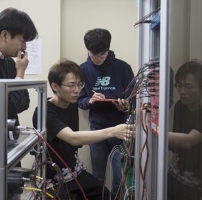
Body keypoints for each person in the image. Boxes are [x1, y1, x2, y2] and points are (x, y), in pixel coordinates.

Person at [32, 59, 133, 200]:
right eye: (71, 85)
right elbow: (73, 138)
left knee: (105, 196)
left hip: (75, 171)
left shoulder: (71, 103)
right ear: (55, 86)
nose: (77, 90)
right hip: (53, 178)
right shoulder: (44, 111)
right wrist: (113, 131)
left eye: (80, 85)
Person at [77, 28, 135, 198]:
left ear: (108, 50)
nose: (98, 59)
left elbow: (133, 100)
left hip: (121, 129)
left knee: (119, 176)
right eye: (95, 55)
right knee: (98, 176)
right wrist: (90, 100)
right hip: (97, 129)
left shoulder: (123, 68)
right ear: (88, 50)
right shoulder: (83, 69)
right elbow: (80, 101)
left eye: (102, 54)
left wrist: (124, 106)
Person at [167, 59, 202, 200]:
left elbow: (188, 140)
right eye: (179, 85)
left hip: (201, 184)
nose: (182, 91)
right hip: (177, 177)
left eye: (188, 86)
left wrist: (151, 132)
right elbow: (176, 143)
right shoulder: (179, 106)